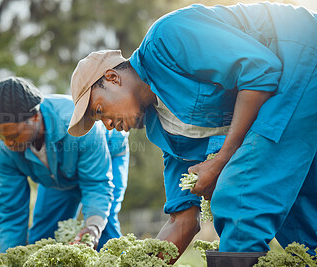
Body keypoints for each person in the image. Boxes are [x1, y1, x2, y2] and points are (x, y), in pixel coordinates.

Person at [67, 2, 317, 266]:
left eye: (99, 110)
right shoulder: (164, 132)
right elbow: (182, 220)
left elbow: (260, 71)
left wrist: (221, 161)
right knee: (299, 220)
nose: (107, 125)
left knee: (239, 193)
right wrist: (138, 263)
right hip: (288, 92)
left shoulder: (168, 38)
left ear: (112, 78)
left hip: (299, 53)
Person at [0, 77, 129, 253]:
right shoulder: (3, 151)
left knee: (103, 229)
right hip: (57, 175)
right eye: (1, 136)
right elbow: (11, 211)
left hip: (106, 158)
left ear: (36, 116)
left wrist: (93, 228)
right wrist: (9, 259)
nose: (8, 144)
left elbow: (96, 184)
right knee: (42, 239)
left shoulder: (78, 123)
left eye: (14, 135)